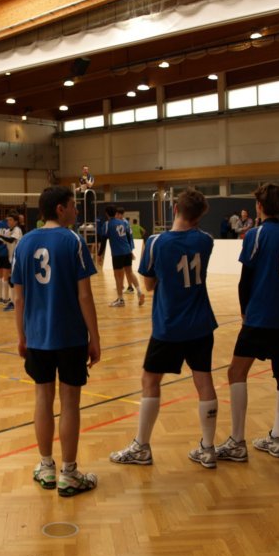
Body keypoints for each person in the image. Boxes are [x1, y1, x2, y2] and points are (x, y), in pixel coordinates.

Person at [109, 189, 218, 469]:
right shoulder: (206, 241)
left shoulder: (156, 242)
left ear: (175, 209)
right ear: (199, 217)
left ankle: (142, 446)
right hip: (201, 323)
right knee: (204, 381)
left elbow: (148, 285)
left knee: (150, 380)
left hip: (170, 325)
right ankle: (208, 448)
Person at [12, 185, 101, 497]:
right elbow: (85, 295)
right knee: (70, 403)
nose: (76, 210)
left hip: (37, 337)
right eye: (73, 205)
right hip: (71, 337)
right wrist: (95, 338)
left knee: (42, 399)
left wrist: (21, 335)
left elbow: (18, 298)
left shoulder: (24, 243)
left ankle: (46, 467)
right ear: (60, 209)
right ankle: (69, 473)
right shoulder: (73, 241)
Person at [216, 183, 279, 462]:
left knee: (236, 372)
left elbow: (245, 280)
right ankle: (277, 438)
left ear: (259, 206)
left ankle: (237, 441)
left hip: (259, 315)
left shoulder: (255, 234)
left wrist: (244, 312)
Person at [107, 206, 144, 307]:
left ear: (119, 214)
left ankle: (121, 298)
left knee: (118, 275)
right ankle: (139, 291)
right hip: (127, 250)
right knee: (129, 272)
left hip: (119, 252)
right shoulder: (125, 222)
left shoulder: (114, 223)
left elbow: (123, 237)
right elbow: (127, 237)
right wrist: (130, 250)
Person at [0, 212, 23, 311]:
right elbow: (0, 242)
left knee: (14, 281)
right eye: (7, 220)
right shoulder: (7, 231)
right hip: (11, 258)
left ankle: (15, 302)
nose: (8, 222)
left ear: (16, 221)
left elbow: (11, 240)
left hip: (17, 258)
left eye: (10, 220)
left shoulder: (17, 230)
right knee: (11, 280)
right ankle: (13, 301)